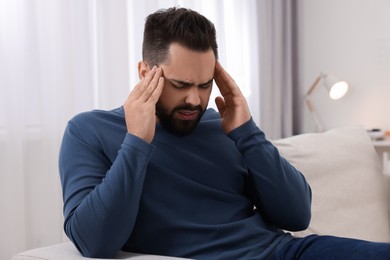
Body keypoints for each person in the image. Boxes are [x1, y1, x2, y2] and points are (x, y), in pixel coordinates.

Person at [59, 7, 390, 259]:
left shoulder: (223, 127)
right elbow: (95, 242)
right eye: (180, 85)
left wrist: (247, 133)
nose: (194, 99)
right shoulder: (89, 131)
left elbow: (297, 215)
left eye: (204, 85)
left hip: (283, 252)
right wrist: (137, 141)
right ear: (145, 72)